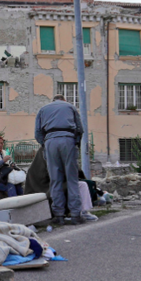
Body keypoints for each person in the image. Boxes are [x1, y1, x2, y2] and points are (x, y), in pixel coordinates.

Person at [35, 94, 84, 225]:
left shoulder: (43, 109)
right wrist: (76, 143)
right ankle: (75, 215)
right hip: (68, 140)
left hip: (50, 141)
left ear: (53, 100)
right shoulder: (70, 107)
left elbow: (37, 132)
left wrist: (45, 144)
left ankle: (59, 215)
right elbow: (80, 129)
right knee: (72, 179)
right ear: (63, 100)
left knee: (55, 180)